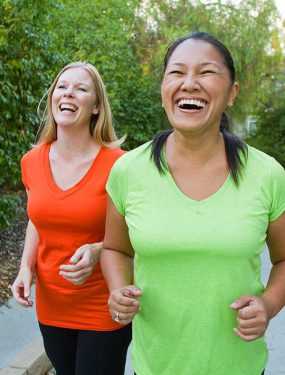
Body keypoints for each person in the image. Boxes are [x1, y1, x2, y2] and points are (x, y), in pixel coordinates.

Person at [100, 32, 285, 375]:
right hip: (155, 365)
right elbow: (115, 250)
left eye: (206, 72)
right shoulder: (128, 171)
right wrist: (118, 288)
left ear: (232, 93)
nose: (189, 83)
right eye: (177, 72)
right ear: (163, 90)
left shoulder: (268, 174)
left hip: (240, 367)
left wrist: (269, 304)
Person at [11, 62, 131, 375]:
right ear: (53, 98)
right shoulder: (31, 161)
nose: (69, 93)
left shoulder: (120, 166)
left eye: (81, 88)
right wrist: (26, 268)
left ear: (95, 107)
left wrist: (99, 250)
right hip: (52, 304)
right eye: (62, 87)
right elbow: (38, 219)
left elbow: (140, 232)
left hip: (104, 303)